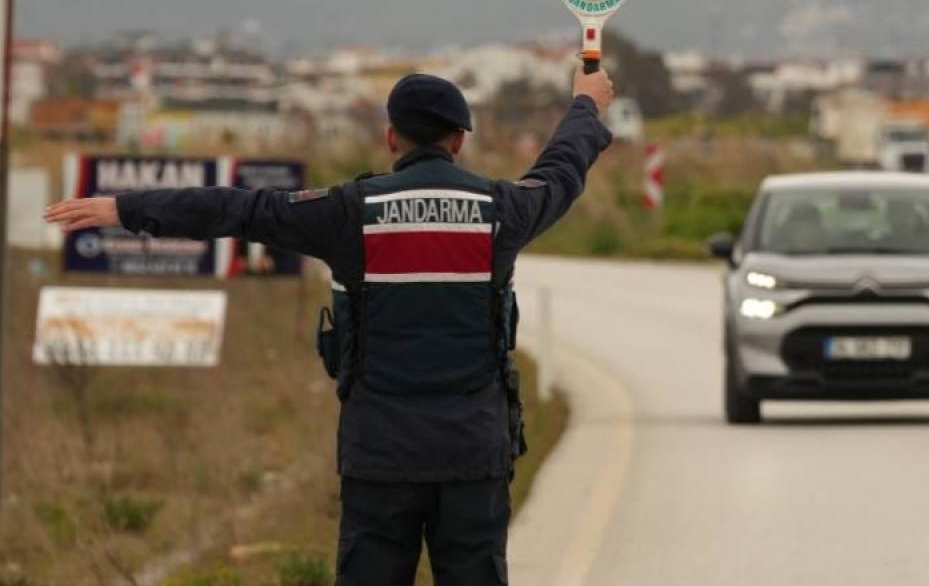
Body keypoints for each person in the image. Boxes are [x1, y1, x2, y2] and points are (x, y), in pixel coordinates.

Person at [44, 65, 615, 586]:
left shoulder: (348, 211)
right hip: (472, 456)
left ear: (393, 138)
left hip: (379, 456)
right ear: (459, 140)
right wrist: (585, 105)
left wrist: (126, 208)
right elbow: (561, 170)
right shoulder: (501, 210)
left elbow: (238, 209)